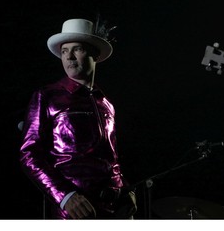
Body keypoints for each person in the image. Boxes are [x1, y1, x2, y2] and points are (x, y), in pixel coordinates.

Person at [19, 18, 137, 219]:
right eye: (64, 51)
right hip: (74, 211)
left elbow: (112, 157)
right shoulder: (47, 96)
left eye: (77, 49)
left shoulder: (106, 103)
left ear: (95, 54)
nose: (69, 57)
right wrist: (64, 196)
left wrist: (125, 189)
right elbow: (29, 154)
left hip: (113, 210)